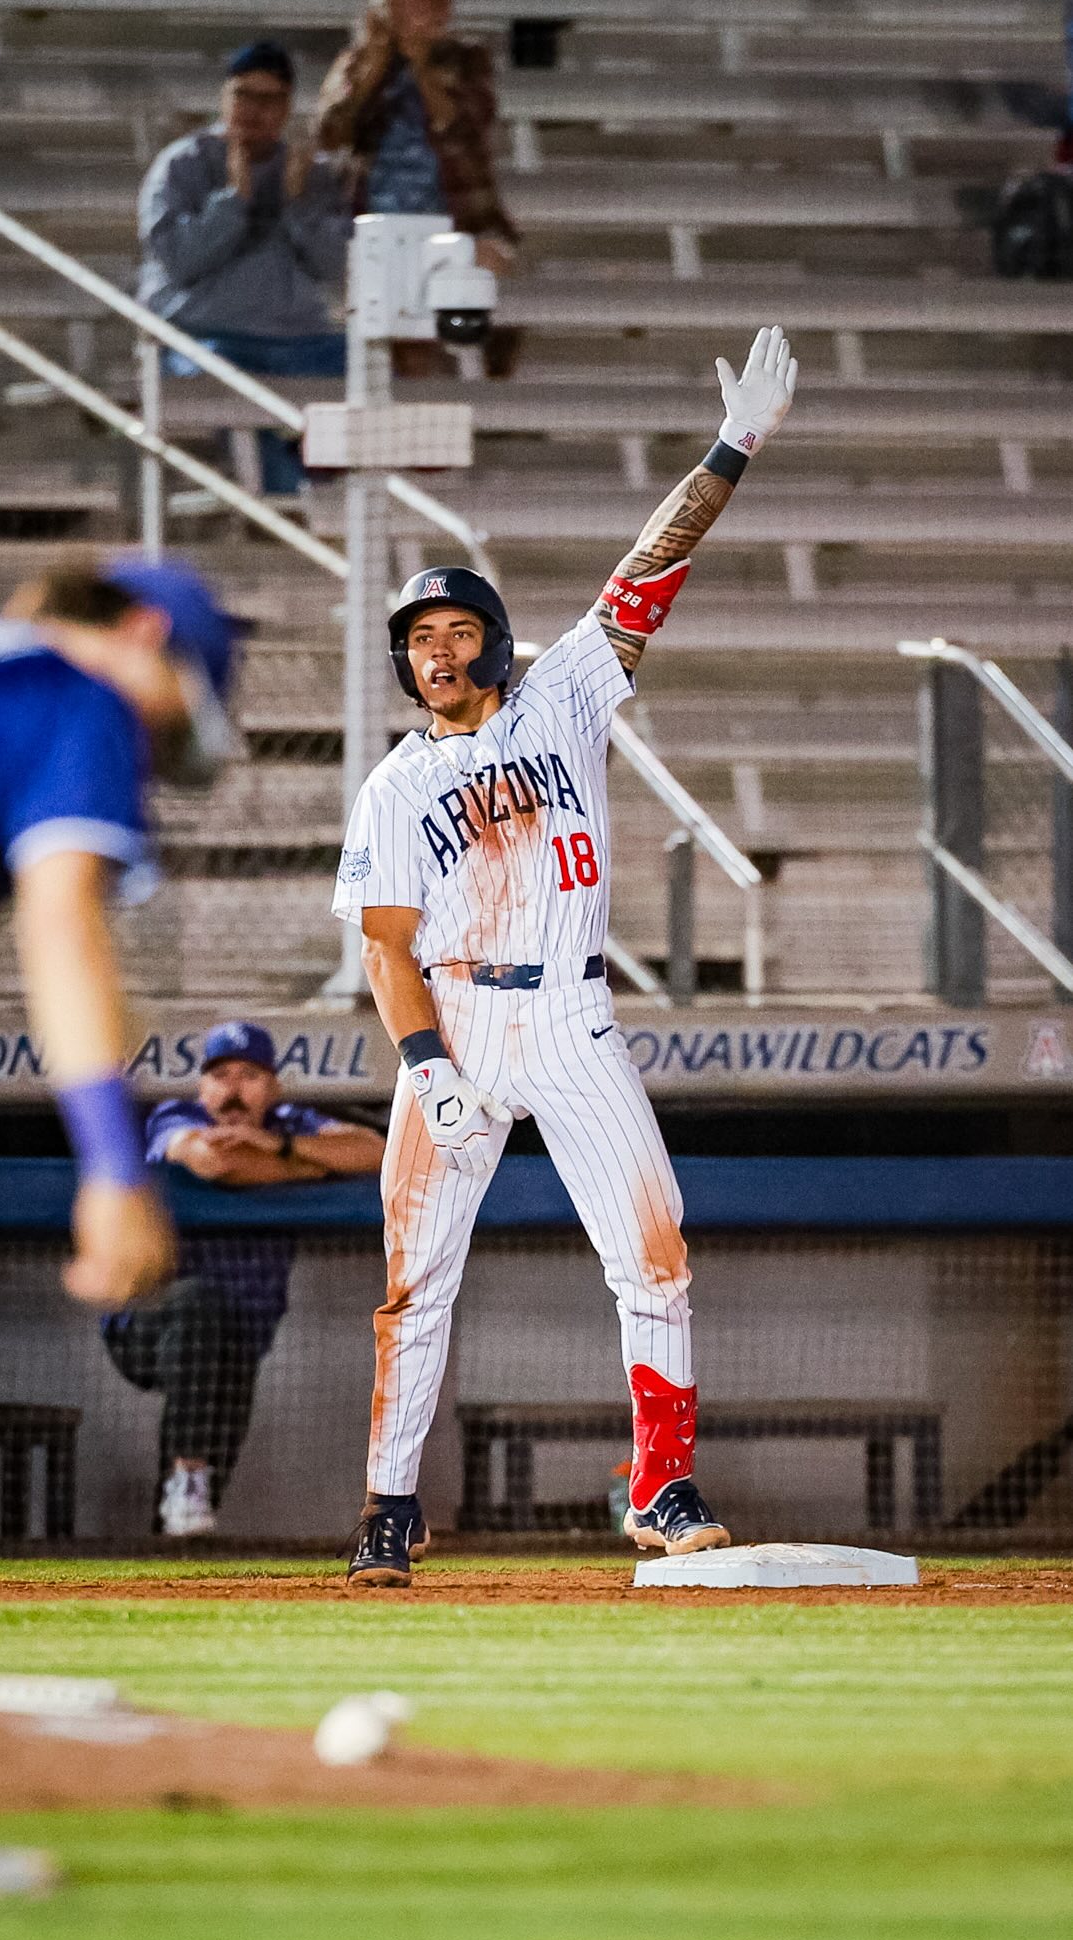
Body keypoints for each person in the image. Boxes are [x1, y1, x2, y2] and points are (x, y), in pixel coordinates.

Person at [332, 325, 798, 1588]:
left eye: (451, 627)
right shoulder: (390, 785)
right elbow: (385, 947)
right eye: (416, 635)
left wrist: (731, 447)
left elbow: (653, 564)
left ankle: (660, 1486)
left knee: (653, 1250)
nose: (434, 648)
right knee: (411, 1283)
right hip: (460, 1028)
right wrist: (425, 1065)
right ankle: (387, 1507)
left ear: (488, 633)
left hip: (575, 1021)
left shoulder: (565, 691)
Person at [0, 553, 241, 1899]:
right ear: (148, 636)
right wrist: (115, 1159)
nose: (151, 757)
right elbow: (63, 925)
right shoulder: (77, 694)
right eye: (172, 724)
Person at [103, 1022, 384, 1538]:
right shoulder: (176, 1115)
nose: (233, 1089)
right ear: (203, 1086)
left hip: (240, 1337)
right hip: (148, 1327)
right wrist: (311, 1166)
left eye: (249, 1075)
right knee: (199, 1303)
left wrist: (276, 1146)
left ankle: (176, 1524)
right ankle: (185, 1481)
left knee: (193, 1513)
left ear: (272, 1086)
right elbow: (215, 1163)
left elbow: (372, 1153)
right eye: (221, 1075)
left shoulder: (288, 1122)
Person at [138, 39, 352, 493]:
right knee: (230, 385)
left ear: (287, 106)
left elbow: (337, 266)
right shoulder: (183, 164)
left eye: (269, 99)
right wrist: (233, 200)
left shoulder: (308, 172)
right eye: (243, 95)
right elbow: (179, 259)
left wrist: (297, 206)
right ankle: (287, 508)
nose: (254, 110)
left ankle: (332, 491)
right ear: (224, 97)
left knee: (372, 373)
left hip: (298, 339)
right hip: (207, 338)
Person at [315, 0, 519, 375]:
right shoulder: (359, 61)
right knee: (389, 336)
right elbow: (330, 132)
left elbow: (464, 123)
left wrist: (419, 65)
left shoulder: (467, 59)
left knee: (461, 317)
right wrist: (375, 63)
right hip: (375, 221)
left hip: (454, 217)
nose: (438, 9)